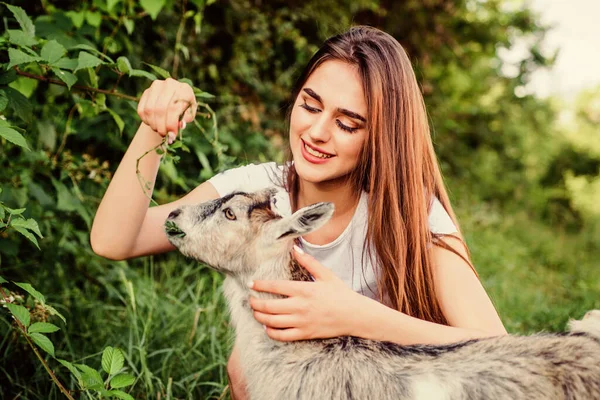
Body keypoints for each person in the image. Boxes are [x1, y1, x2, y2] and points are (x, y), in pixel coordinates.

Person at [91, 25, 507, 399]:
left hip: (396, 385)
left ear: (380, 137)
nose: (318, 132)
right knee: (243, 367)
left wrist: (356, 316)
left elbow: (496, 348)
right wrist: (155, 128)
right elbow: (114, 240)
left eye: (347, 124)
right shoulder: (257, 193)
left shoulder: (406, 212)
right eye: (311, 105)